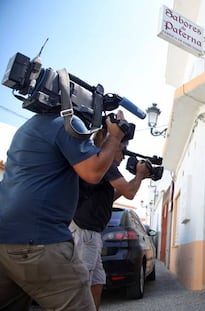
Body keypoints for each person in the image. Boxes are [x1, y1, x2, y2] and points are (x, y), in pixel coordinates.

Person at [0, 110, 128, 311]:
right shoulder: (67, 123)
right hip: (39, 240)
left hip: (5, 240)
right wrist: (115, 136)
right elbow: (94, 172)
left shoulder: (28, 128)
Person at [69, 127, 151, 310]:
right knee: (80, 285)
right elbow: (130, 193)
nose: (123, 157)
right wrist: (139, 175)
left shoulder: (104, 166)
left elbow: (114, 196)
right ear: (112, 147)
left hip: (92, 233)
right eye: (123, 151)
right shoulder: (104, 162)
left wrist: (137, 179)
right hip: (84, 232)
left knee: (97, 283)